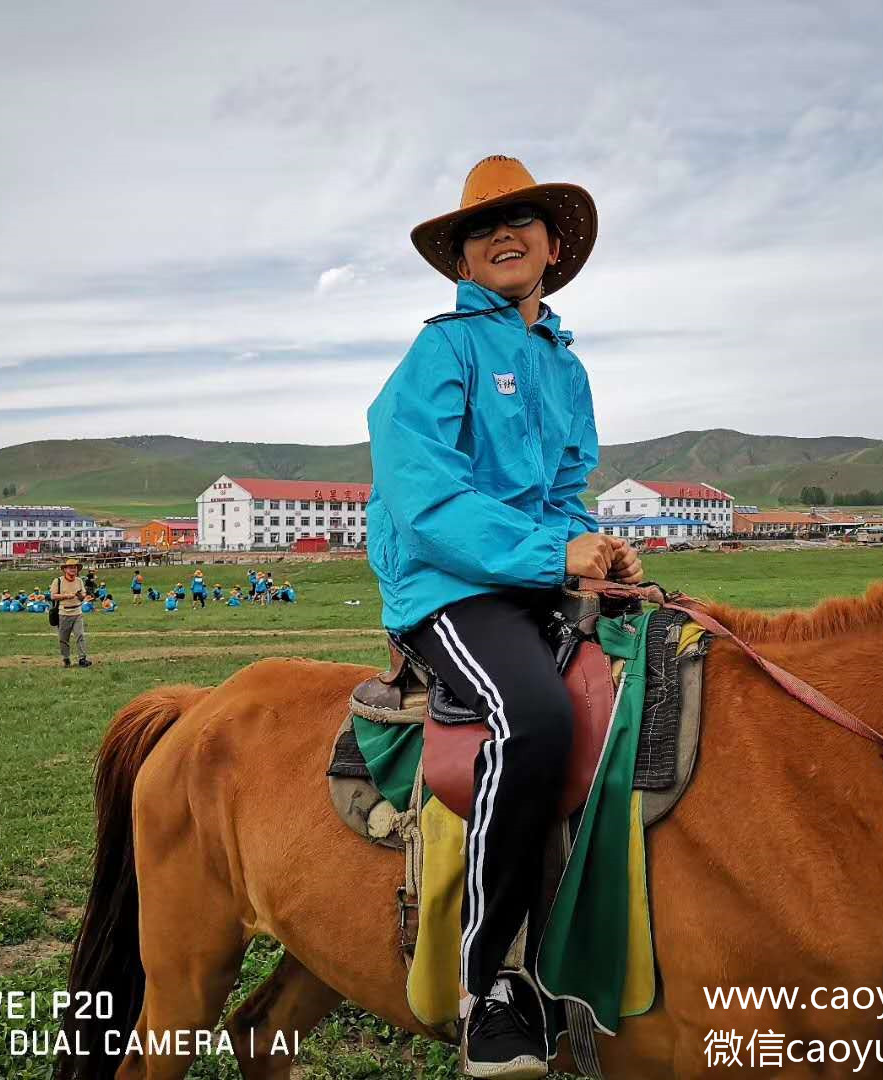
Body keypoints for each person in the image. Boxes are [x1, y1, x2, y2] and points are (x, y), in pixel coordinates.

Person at [366, 155, 641, 1078]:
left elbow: (567, 487)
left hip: (532, 580)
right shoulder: (442, 350)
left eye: (522, 220)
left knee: (665, 671)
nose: (503, 236)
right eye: (483, 229)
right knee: (534, 719)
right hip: (446, 588)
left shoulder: (565, 365)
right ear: (463, 259)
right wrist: (547, 555)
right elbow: (421, 493)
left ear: (553, 245)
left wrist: (593, 552)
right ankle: (490, 988)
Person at [51, 557, 92, 668]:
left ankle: (82, 659)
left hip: (77, 612)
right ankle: (66, 658)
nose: (73, 569)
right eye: (70, 567)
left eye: (75, 567)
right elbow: (53, 596)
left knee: (80, 635)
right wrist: (66, 596)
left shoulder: (79, 581)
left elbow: (83, 596)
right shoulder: (58, 581)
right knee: (63, 639)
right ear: (65, 569)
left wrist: (80, 596)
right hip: (63, 613)